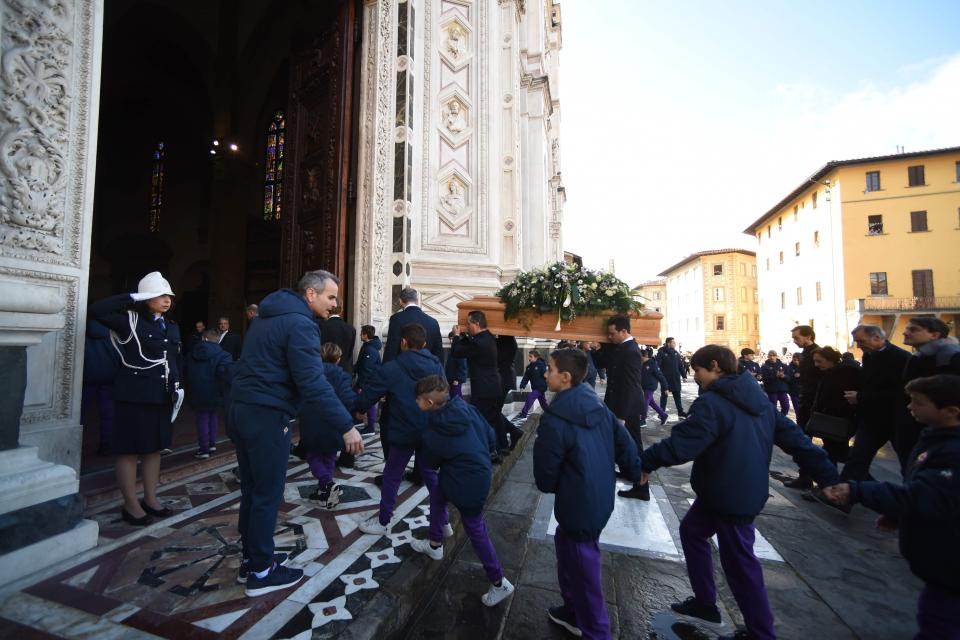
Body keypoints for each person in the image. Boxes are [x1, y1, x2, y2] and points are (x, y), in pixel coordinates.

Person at [639, 345, 840, 640]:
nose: (696, 377)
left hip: (730, 495)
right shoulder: (757, 400)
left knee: (741, 566)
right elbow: (798, 441)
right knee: (692, 532)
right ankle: (705, 603)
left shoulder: (713, 404)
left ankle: (761, 632)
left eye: (699, 371)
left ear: (715, 366)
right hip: (724, 490)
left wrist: (644, 462)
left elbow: (683, 444)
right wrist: (827, 474)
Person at [228, 270, 363, 597]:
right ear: (310, 295)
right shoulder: (301, 324)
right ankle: (261, 573)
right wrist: (346, 425)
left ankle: (252, 559)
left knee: (252, 490)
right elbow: (313, 382)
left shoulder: (266, 316)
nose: (335, 303)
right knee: (266, 494)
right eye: (331, 296)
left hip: (240, 409)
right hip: (267, 415)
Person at [823, 375, 960, 640]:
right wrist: (900, 513)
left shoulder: (952, 452)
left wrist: (858, 490)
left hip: (950, 559)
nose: (910, 407)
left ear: (951, 412)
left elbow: (927, 495)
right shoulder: (935, 438)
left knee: (939, 622)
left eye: (918, 403)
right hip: (940, 557)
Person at [534, 348, 644, 639]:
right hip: (597, 497)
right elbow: (626, 444)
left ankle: (597, 631)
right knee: (566, 548)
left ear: (565, 377)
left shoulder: (555, 418)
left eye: (551, 369)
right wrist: (636, 472)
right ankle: (573, 611)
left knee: (585, 572)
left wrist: (558, 485)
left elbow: (545, 476)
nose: (546, 373)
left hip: (578, 504)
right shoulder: (597, 405)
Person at [89, 271, 183, 527]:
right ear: (147, 297)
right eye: (160, 295)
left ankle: (151, 499)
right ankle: (131, 504)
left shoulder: (171, 326)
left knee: (154, 449)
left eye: (169, 296)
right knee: (129, 450)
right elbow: (97, 310)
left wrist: (178, 387)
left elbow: (173, 359)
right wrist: (134, 296)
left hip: (161, 395)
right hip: (134, 396)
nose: (166, 300)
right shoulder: (128, 321)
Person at [412, 375, 514, 607]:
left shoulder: (435, 431)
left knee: (475, 530)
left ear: (428, 403)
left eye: (417, 399)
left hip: (467, 482)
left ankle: (499, 582)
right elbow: (489, 434)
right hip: (475, 471)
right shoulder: (465, 407)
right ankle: (435, 543)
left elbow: (430, 461)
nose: (415, 403)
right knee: (438, 495)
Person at [354, 323, 449, 536]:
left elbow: (368, 398)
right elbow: (445, 396)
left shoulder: (392, 367)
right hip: (430, 430)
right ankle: (443, 521)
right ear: (424, 343)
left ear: (403, 342)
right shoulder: (436, 364)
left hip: (403, 429)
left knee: (392, 475)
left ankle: (384, 520)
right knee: (431, 476)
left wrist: (355, 405)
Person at [841, 325, 912, 481]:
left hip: (896, 419)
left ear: (878, 338)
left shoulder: (902, 358)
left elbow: (901, 393)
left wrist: (861, 397)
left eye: (861, 341)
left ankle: (913, 497)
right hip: (871, 419)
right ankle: (844, 496)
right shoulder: (869, 356)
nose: (859, 346)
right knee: (857, 458)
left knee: (909, 464)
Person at [452, 311, 523, 456]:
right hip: (492, 385)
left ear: (476, 324)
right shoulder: (488, 338)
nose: (467, 325)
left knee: (480, 420)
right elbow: (471, 344)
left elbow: (457, 352)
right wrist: (465, 335)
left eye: (469, 323)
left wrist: (456, 336)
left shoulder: (482, 342)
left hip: (485, 388)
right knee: (492, 418)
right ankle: (499, 447)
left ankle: (490, 451)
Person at [899, 317, 960, 470]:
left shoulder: (950, 356)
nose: (905, 333)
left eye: (913, 329)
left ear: (934, 335)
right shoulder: (919, 357)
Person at [306, 342, 358, 508]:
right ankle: (326, 491)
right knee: (329, 457)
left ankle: (327, 484)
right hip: (336, 422)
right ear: (338, 359)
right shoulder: (343, 376)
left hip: (313, 421)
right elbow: (349, 400)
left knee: (313, 456)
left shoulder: (312, 373)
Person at [808, 346, 862, 469]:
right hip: (829, 420)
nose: (816, 365)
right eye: (814, 361)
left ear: (830, 359)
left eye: (819, 361)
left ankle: (847, 480)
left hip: (839, 421)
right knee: (832, 453)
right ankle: (832, 482)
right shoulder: (827, 372)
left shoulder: (847, 373)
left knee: (837, 453)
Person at [184, 328, 234, 459]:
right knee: (213, 416)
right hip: (216, 391)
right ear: (217, 340)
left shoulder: (191, 354)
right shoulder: (224, 355)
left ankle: (204, 448)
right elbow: (225, 375)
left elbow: (185, 372)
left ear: (204, 338)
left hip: (197, 391)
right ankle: (211, 444)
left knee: (202, 419)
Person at [783, 325, 821, 489]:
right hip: (806, 401)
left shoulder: (816, 354)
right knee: (803, 440)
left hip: (813, 403)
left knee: (806, 440)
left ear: (808, 337)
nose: (794, 341)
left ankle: (811, 478)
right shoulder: (807, 353)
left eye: (797, 338)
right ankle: (805, 476)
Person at [81, 318, 119, 456]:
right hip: (108, 378)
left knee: (79, 412)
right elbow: (120, 355)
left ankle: (74, 445)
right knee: (108, 414)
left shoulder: (82, 334)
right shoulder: (112, 335)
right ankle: (106, 445)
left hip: (86, 377)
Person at [383, 287, 443, 363]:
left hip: (403, 370)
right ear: (417, 301)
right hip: (428, 371)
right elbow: (438, 352)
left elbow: (391, 348)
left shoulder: (396, 319)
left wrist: (386, 369)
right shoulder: (433, 322)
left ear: (400, 301)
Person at [354, 325, 382, 435]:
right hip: (368, 380)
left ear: (366, 335)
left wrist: (361, 385)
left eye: (361, 333)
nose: (360, 335)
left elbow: (367, 369)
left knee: (369, 403)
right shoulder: (368, 346)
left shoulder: (370, 349)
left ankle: (370, 427)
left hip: (368, 381)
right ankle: (361, 421)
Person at [318, 305, 357, 374]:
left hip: (325, 371)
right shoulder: (351, 329)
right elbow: (350, 353)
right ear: (341, 310)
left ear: (328, 309)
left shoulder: (321, 326)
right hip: (345, 371)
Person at [656, 337, 687, 417]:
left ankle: (680, 412)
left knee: (677, 395)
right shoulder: (661, 352)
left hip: (675, 378)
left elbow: (680, 365)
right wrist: (658, 377)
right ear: (668, 343)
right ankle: (662, 412)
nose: (675, 344)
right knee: (664, 395)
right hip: (665, 379)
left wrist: (684, 376)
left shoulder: (676, 353)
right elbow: (657, 366)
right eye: (673, 342)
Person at [640, 348, 669, 426]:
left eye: (640, 357)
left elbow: (661, 376)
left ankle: (643, 420)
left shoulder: (653, 364)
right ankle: (663, 415)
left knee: (645, 401)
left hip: (650, 386)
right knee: (651, 402)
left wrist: (666, 387)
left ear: (644, 356)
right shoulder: (642, 364)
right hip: (644, 386)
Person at [518, 349, 549, 418]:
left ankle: (524, 413)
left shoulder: (541, 365)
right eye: (529, 356)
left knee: (530, 397)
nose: (529, 358)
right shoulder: (529, 367)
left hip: (540, 387)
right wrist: (522, 386)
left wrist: (548, 380)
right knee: (543, 402)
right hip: (535, 387)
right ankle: (549, 413)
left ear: (536, 357)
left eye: (530, 356)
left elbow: (546, 375)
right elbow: (526, 377)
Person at [760, 350, 790, 416]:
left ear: (776, 356)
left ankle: (781, 419)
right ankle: (774, 421)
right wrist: (775, 376)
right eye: (770, 356)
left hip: (782, 390)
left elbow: (789, 378)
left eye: (774, 355)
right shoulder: (764, 367)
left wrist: (783, 376)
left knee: (786, 406)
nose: (772, 357)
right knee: (773, 408)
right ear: (768, 356)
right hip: (771, 390)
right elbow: (765, 379)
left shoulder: (783, 365)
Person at [444, 328, 468, 399]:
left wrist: (458, 379)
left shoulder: (460, 351)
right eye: (450, 339)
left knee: (456, 397)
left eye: (452, 339)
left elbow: (462, 366)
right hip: (451, 379)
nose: (451, 341)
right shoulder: (454, 350)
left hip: (456, 381)